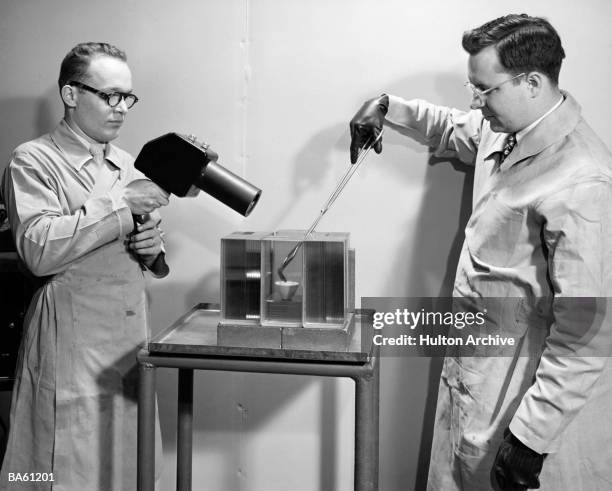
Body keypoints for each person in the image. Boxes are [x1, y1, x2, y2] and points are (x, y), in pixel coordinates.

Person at [350, 14, 612, 491]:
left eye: (485, 89)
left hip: (523, 398)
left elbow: (585, 333)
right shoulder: (507, 127)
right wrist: (386, 107)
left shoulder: (583, 180)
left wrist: (531, 438)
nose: (476, 101)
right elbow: (452, 126)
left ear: (532, 82)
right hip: (480, 367)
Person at [0, 42, 170, 490]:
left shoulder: (127, 163)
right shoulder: (33, 160)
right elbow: (37, 250)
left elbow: (140, 243)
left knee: (127, 462)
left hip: (128, 341)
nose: (120, 110)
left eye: (127, 98)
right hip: (71, 343)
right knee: (63, 466)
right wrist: (121, 205)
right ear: (71, 94)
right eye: (108, 96)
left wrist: (152, 247)